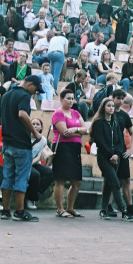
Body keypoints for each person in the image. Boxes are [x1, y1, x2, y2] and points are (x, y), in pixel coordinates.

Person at [0, 75, 41, 222]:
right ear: (30, 84)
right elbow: (22, 114)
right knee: (22, 177)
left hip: (7, 142)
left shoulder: (6, 95)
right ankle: (20, 211)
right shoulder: (24, 96)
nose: (34, 92)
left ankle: (5, 210)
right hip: (21, 143)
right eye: (35, 88)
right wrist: (35, 133)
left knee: (8, 176)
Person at [91, 96, 133, 221]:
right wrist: (111, 154)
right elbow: (99, 142)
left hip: (116, 158)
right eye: (108, 106)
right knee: (115, 183)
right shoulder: (98, 123)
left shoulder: (115, 123)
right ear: (103, 108)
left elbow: (120, 141)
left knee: (109, 185)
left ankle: (103, 210)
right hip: (104, 158)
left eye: (112, 106)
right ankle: (124, 210)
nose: (111, 108)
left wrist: (117, 154)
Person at [50, 90, 87, 218]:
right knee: (61, 179)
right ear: (61, 99)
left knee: (77, 181)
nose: (71, 101)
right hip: (62, 147)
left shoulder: (75, 112)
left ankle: (70, 208)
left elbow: (85, 129)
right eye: (68, 98)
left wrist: (75, 129)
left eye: (72, 98)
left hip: (75, 147)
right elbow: (65, 132)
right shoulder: (58, 113)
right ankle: (60, 209)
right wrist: (79, 132)